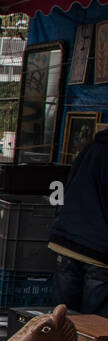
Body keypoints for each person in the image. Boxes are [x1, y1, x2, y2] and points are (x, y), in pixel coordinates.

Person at [50, 124, 108, 315]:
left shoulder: (90, 149)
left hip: (67, 241)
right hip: (99, 252)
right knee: (94, 326)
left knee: (62, 319)